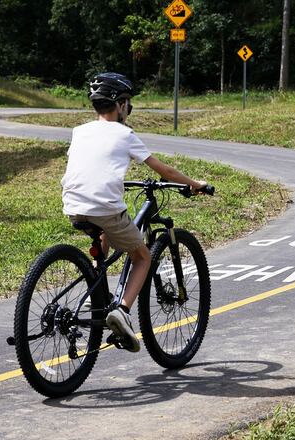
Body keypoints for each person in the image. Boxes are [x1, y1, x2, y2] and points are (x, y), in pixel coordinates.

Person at [61, 72, 208, 352]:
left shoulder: (79, 131)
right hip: (104, 208)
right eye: (128, 103)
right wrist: (194, 184)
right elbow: (164, 171)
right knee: (141, 256)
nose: (129, 109)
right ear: (119, 105)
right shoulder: (125, 134)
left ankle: (96, 293)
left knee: (104, 232)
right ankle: (122, 311)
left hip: (73, 205)